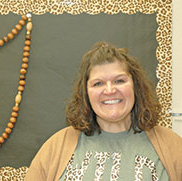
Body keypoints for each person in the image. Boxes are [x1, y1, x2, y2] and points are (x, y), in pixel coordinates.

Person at [24, 42, 182, 181]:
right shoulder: (55, 146)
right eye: (98, 83)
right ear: (86, 92)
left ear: (135, 86)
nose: (109, 90)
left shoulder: (173, 146)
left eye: (119, 80)